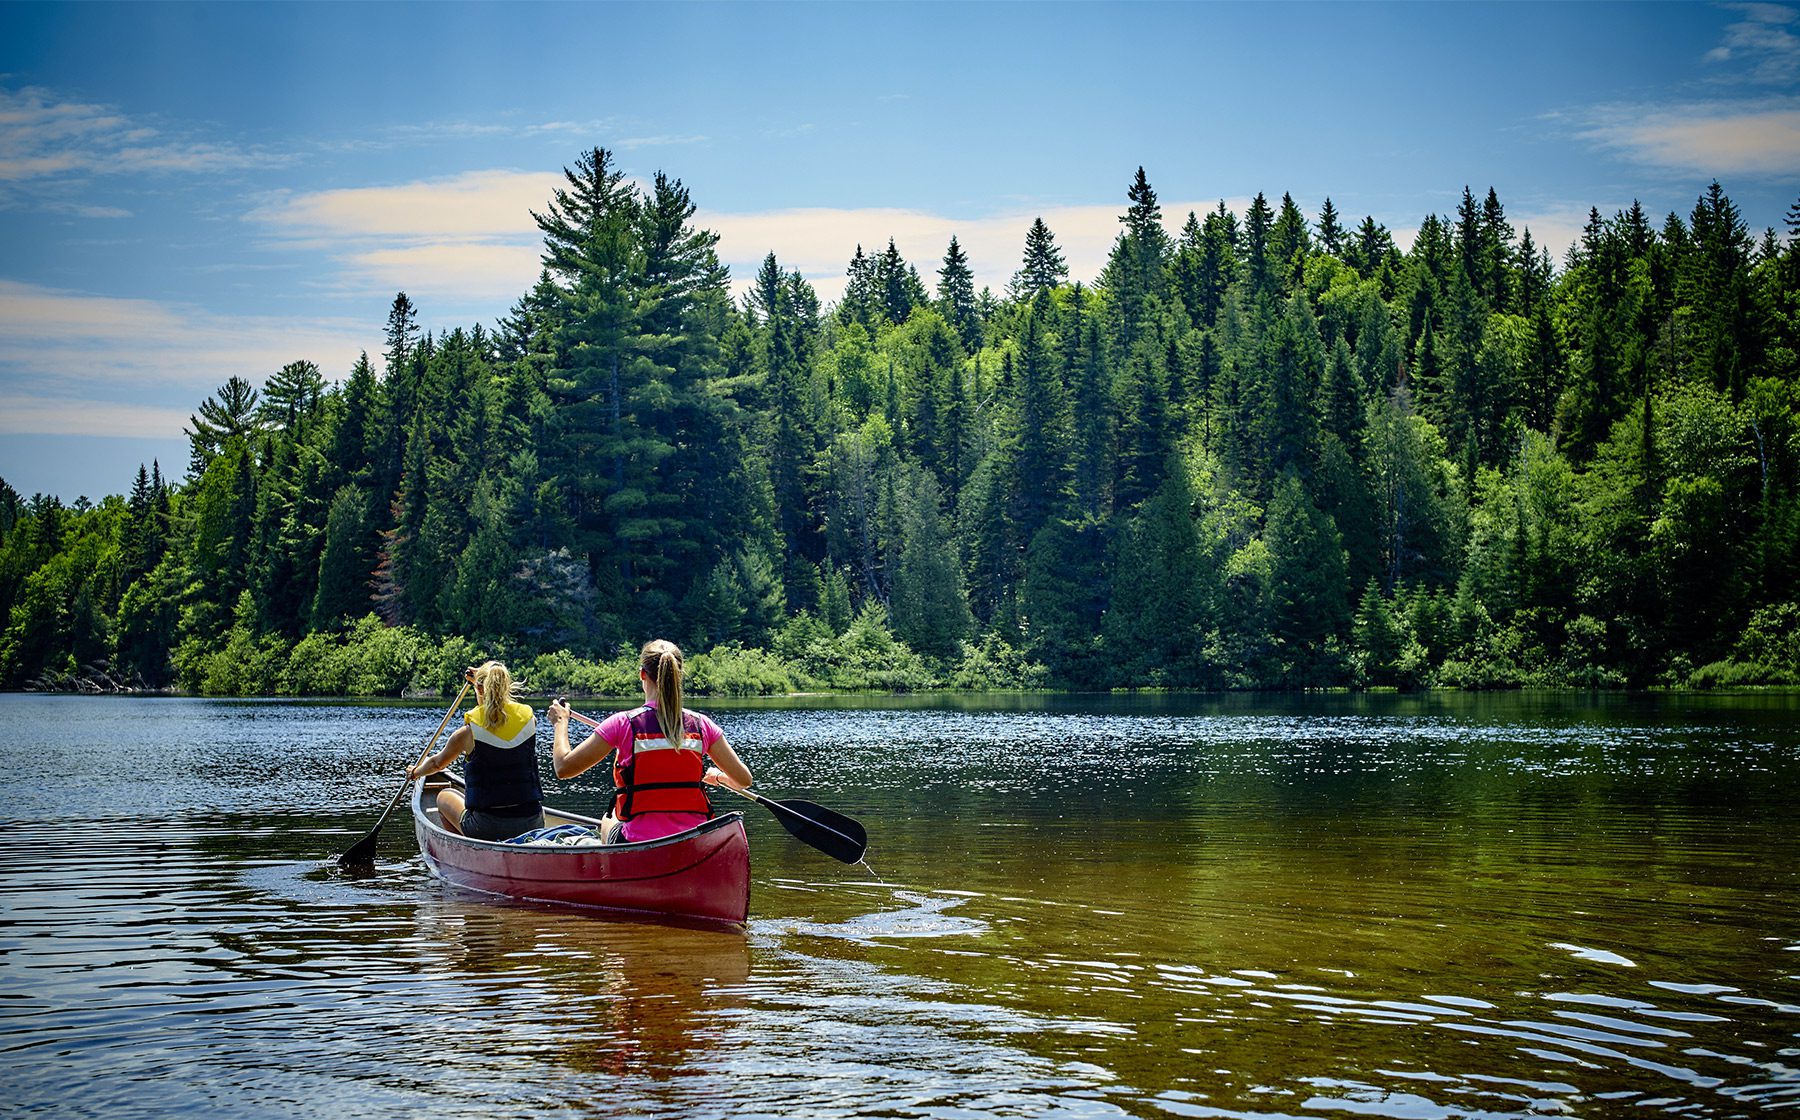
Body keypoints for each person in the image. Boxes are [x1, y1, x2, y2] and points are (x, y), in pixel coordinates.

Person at [547, 639, 752, 844]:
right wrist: (718, 777)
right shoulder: (702, 725)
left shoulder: (622, 723)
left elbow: (563, 767)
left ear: (642, 674)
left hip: (639, 841)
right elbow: (744, 780)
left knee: (608, 818)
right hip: (694, 840)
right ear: (678, 676)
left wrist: (560, 722)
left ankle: (613, 868)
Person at [408, 660, 546, 840]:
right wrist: (479, 682)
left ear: (480, 689)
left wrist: (415, 773)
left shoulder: (467, 733)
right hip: (532, 822)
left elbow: (436, 764)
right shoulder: (530, 721)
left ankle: (463, 848)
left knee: (444, 796)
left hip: (486, 828)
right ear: (506, 687)